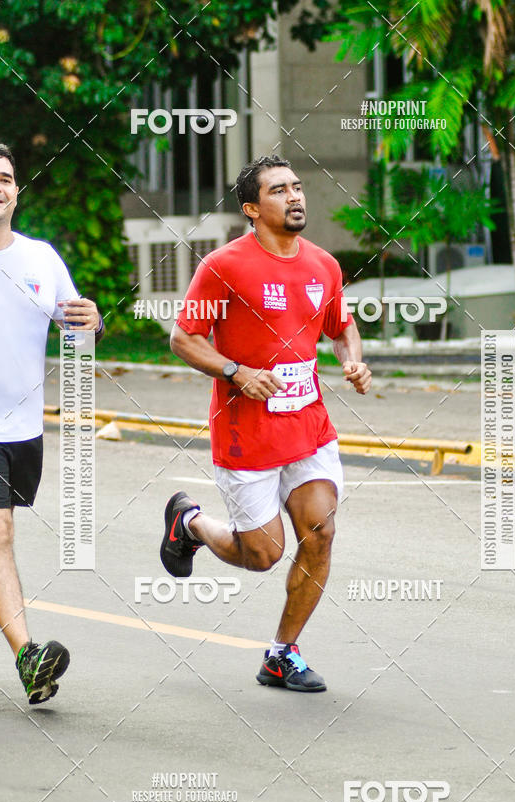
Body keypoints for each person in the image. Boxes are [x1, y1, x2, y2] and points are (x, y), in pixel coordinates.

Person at [160, 154, 371, 692]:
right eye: (279, 190)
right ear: (253, 209)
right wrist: (236, 372)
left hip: (308, 429)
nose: (295, 196)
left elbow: (341, 327)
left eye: (297, 187)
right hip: (245, 433)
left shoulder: (323, 265)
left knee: (320, 536)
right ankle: (191, 524)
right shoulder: (225, 267)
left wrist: (353, 358)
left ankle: (282, 654)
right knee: (264, 556)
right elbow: (184, 339)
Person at [0, 142, 104, 704]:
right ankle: (28, 659)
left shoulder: (41, 258)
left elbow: (77, 327)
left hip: (23, 434)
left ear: (17, 191)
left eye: (5, 178)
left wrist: (93, 322)